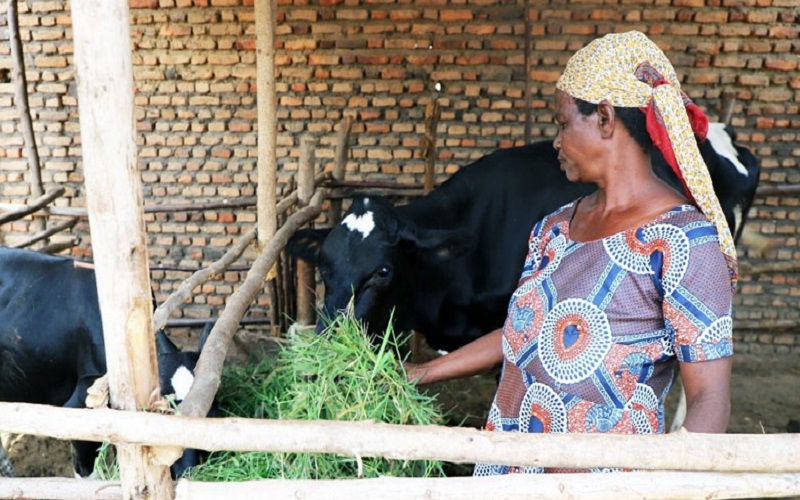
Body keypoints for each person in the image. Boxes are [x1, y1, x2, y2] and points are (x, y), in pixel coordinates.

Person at [404, 30, 736, 474]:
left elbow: (709, 398)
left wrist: (678, 484)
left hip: (600, 485)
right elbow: (523, 333)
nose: (556, 141)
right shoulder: (554, 228)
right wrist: (421, 372)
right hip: (506, 473)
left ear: (604, 118)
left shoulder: (683, 242)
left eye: (562, 123)